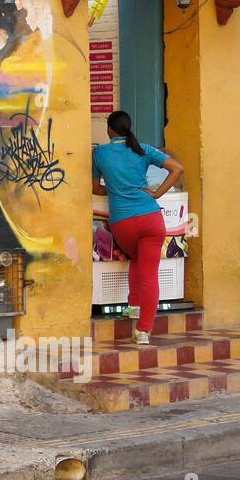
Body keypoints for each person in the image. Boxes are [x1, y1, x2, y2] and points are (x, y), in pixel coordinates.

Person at [92, 111, 183, 345]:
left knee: (136, 257)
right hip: (151, 217)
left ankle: (134, 306)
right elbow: (177, 169)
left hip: (123, 221)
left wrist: (115, 189)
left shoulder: (99, 153)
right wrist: (156, 193)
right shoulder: (143, 149)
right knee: (148, 270)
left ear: (110, 130)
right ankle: (143, 330)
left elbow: (96, 188)